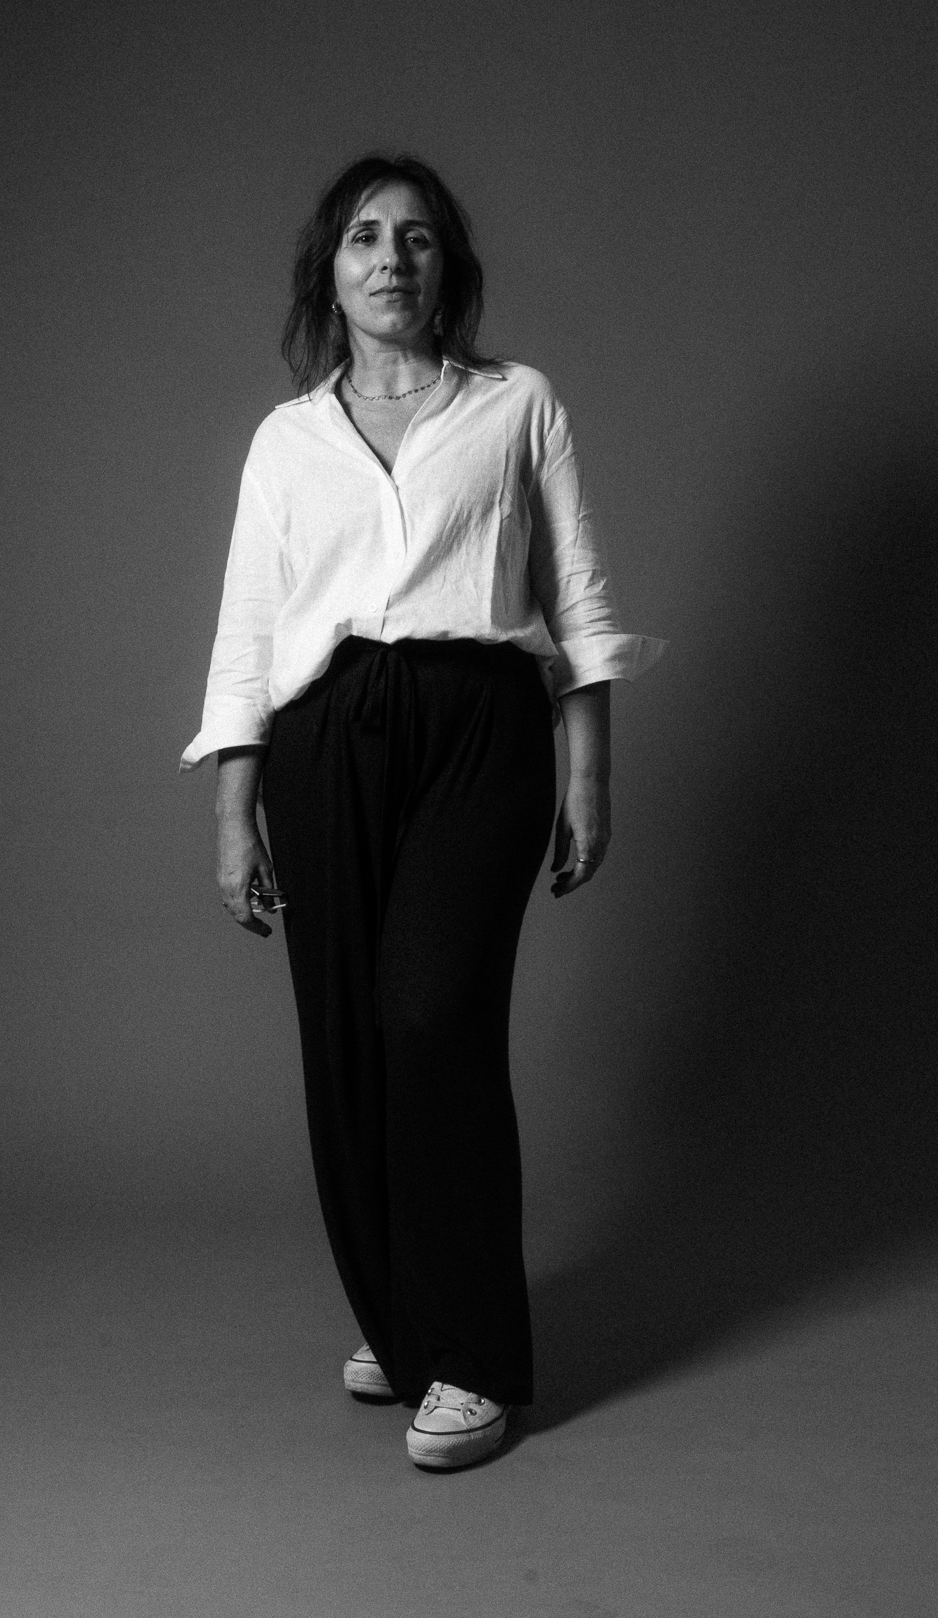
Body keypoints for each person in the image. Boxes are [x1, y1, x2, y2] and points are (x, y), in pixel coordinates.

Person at [181, 152, 662, 1471]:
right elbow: (250, 630)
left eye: (419, 239)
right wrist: (236, 808)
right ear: (329, 274)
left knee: (429, 1011)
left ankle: (476, 1358)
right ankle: (402, 1319)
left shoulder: (518, 407)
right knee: (347, 1036)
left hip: (479, 731)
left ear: (449, 268)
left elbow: (579, 591)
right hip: (323, 739)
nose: (392, 258)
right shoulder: (287, 441)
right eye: (363, 238)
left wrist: (590, 771)